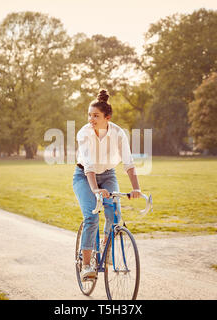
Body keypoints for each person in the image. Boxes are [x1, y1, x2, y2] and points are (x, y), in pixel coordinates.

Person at [72, 89, 142, 280]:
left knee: (114, 214)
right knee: (92, 217)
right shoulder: (84, 133)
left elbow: (128, 163)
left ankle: (105, 246)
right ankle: (87, 265)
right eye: (89, 115)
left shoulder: (118, 134)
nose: (91, 119)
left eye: (96, 116)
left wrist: (136, 188)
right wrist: (95, 189)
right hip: (84, 176)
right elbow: (88, 165)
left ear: (107, 117)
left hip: (108, 174)